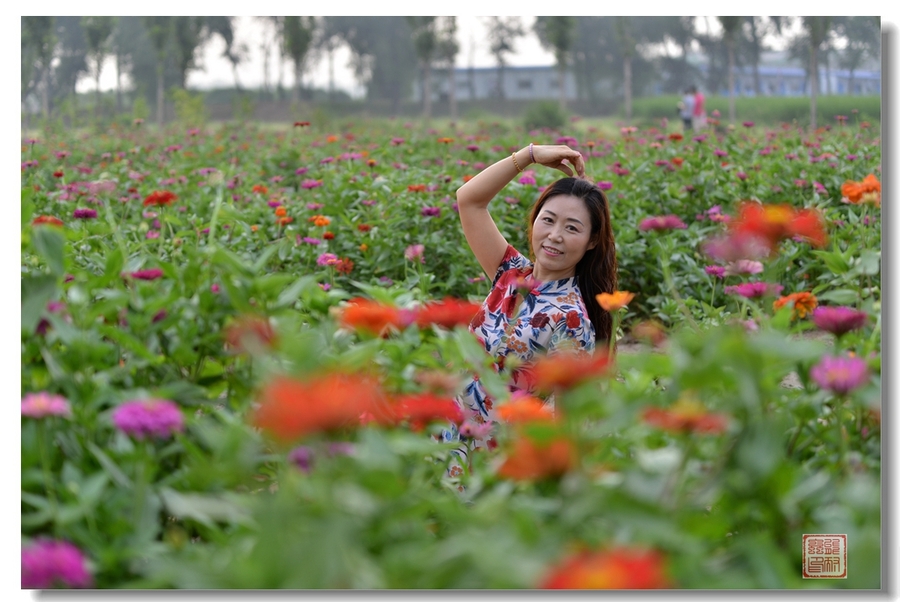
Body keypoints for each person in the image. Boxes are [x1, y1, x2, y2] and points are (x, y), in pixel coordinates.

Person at [439, 143, 618, 467]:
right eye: (548, 220)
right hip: (439, 438)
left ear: (592, 241)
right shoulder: (509, 273)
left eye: (572, 228)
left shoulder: (571, 319)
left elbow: (569, 423)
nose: (555, 235)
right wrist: (530, 155)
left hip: (483, 467)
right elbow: (469, 200)